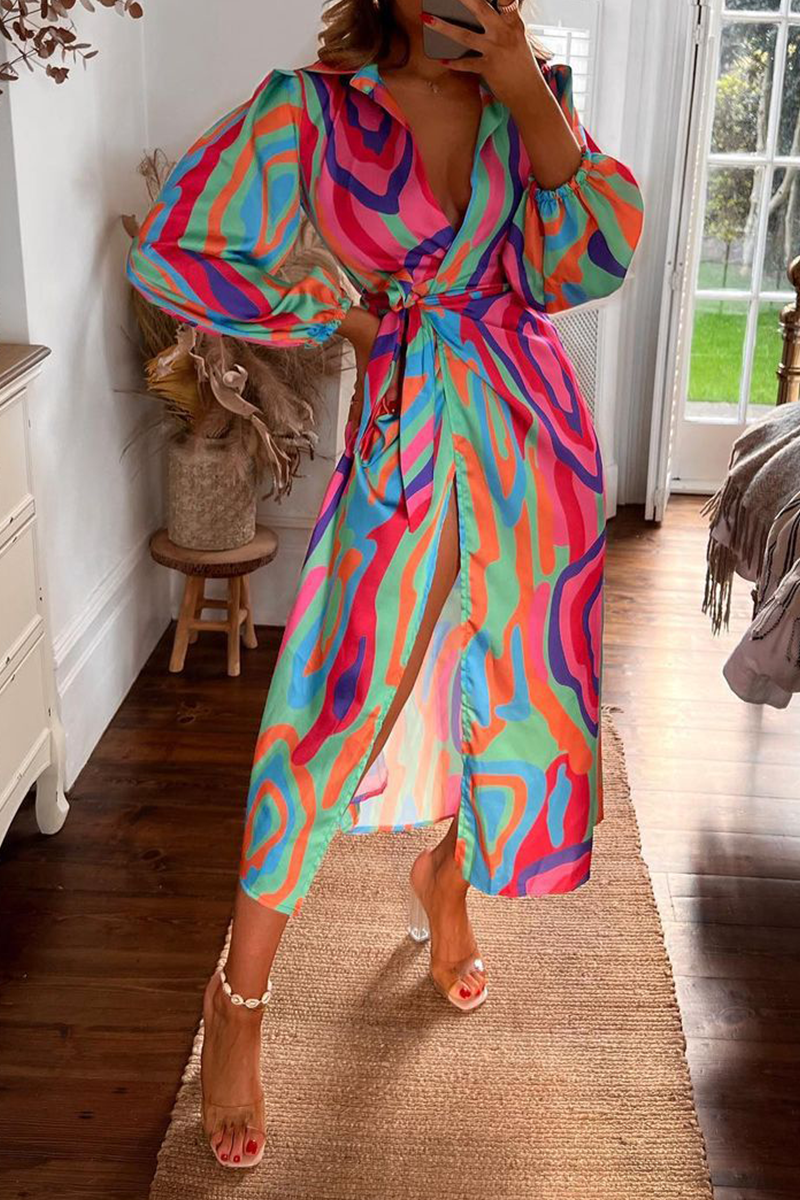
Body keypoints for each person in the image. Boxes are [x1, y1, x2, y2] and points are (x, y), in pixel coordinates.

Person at [127, 0, 644, 1172]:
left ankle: (446, 876)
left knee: (510, 689)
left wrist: (525, 92)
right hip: (408, 443)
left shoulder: (531, 97)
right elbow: (179, 248)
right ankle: (238, 999)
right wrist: (349, 317)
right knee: (332, 707)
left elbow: (587, 262)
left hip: (534, 446)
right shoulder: (313, 113)